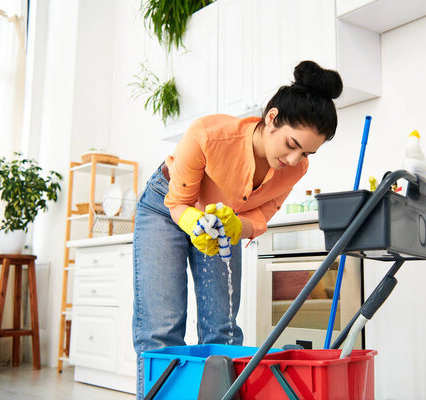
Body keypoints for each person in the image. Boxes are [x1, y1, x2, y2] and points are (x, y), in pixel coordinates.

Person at [132, 60, 343, 399]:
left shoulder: (296, 168)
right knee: (161, 331)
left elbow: (261, 216)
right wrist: (191, 222)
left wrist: (234, 227)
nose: (295, 160)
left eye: (307, 152)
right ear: (272, 118)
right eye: (291, 145)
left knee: (223, 333)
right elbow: (177, 203)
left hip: (219, 226)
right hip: (165, 207)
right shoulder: (209, 134)